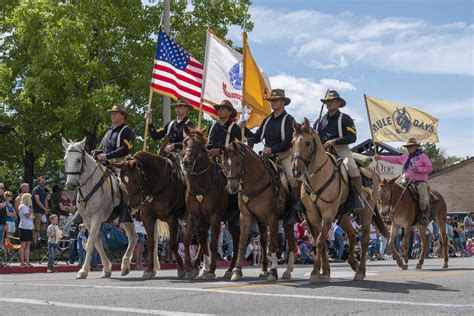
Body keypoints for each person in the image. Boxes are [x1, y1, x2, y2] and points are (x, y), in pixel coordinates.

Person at [240, 89, 299, 224]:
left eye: (276, 100)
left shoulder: (289, 119)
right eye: (272, 100)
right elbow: (256, 138)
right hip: (267, 157)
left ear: (283, 102)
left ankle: (295, 210)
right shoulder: (267, 120)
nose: (273, 103)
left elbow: (288, 143)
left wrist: (272, 149)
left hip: (284, 156)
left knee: (292, 178)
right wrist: (245, 129)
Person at [314, 90, 363, 210]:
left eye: (331, 101)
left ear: (338, 103)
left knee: (352, 168)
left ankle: (357, 197)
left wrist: (334, 141)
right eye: (327, 101)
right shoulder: (319, 121)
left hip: (341, 150)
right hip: (323, 151)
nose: (328, 103)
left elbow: (352, 137)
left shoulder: (346, 119)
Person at [375, 138, 433, 226]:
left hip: (420, 182)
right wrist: (380, 158)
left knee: (423, 197)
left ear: (415, 147)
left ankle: (424, 216)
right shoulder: (405, 156)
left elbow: (429, 168)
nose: (408, 148)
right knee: (392, 193)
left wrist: (418, 169)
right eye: (407, 147)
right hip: (406, 182)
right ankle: (389, 215)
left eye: (410, 147)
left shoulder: (422, 156)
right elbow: (394, 159)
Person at [96, 103, 134, 223]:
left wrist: (107, 156)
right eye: (111, 113)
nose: (112, 115)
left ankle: (125, 211)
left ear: (122, 116)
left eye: (115, 113)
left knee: (123, 184)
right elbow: (104, 149)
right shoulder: (108, 132)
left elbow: (125, 149)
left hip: (121, 163)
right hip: (106, 163)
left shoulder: (127, 131)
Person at [32, 176, 50, 245]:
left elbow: (45, 200)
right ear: (38, 182)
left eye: (44, 181)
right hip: (37, 211)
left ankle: (39, 243)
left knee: (41, 229)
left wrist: (46, 210)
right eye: (41, 181)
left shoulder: (43, 190)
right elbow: (37, 201)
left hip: (42, 212)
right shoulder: (36, 189)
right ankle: (35, 243)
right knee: (36, 229)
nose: (43, 182)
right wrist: (44, 209)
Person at [18, 193, 34, 267]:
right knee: (23, 246)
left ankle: (27, 261)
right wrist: (30, 211)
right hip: (24, 227)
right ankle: (22, 262)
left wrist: (30, 211)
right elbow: (28, 216)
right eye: (30, 198)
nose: (31, 200)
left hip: (29, 227)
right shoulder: (23, 206)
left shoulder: (27, 207)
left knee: (28, 246)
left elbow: (32, 217)